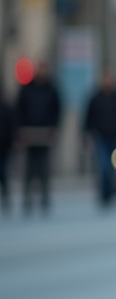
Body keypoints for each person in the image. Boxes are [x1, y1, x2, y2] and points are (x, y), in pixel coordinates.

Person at [15, 62, 61, 215]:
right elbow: (19, 109)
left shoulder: (51, 89)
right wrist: (20, 129)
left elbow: (57, 110)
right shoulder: (27, 89)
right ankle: (27, 199)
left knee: (44, 168)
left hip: (45, 133)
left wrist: (53, 128)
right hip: (30, 132)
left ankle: (45, 198)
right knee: (29, 168)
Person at [83, 67, 116, 207]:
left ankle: (111, 191)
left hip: (114, 137)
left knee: (113, 166)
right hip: (100, 137)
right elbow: (89, 118)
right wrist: (86, 134)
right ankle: (104, 193)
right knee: (103, 165)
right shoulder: (96, 98)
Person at [0, 81, 13, 214]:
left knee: (3, 172)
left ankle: (5, 196)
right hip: (5, 144)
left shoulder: (6, 106)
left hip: (4, 145)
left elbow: (11, 125)